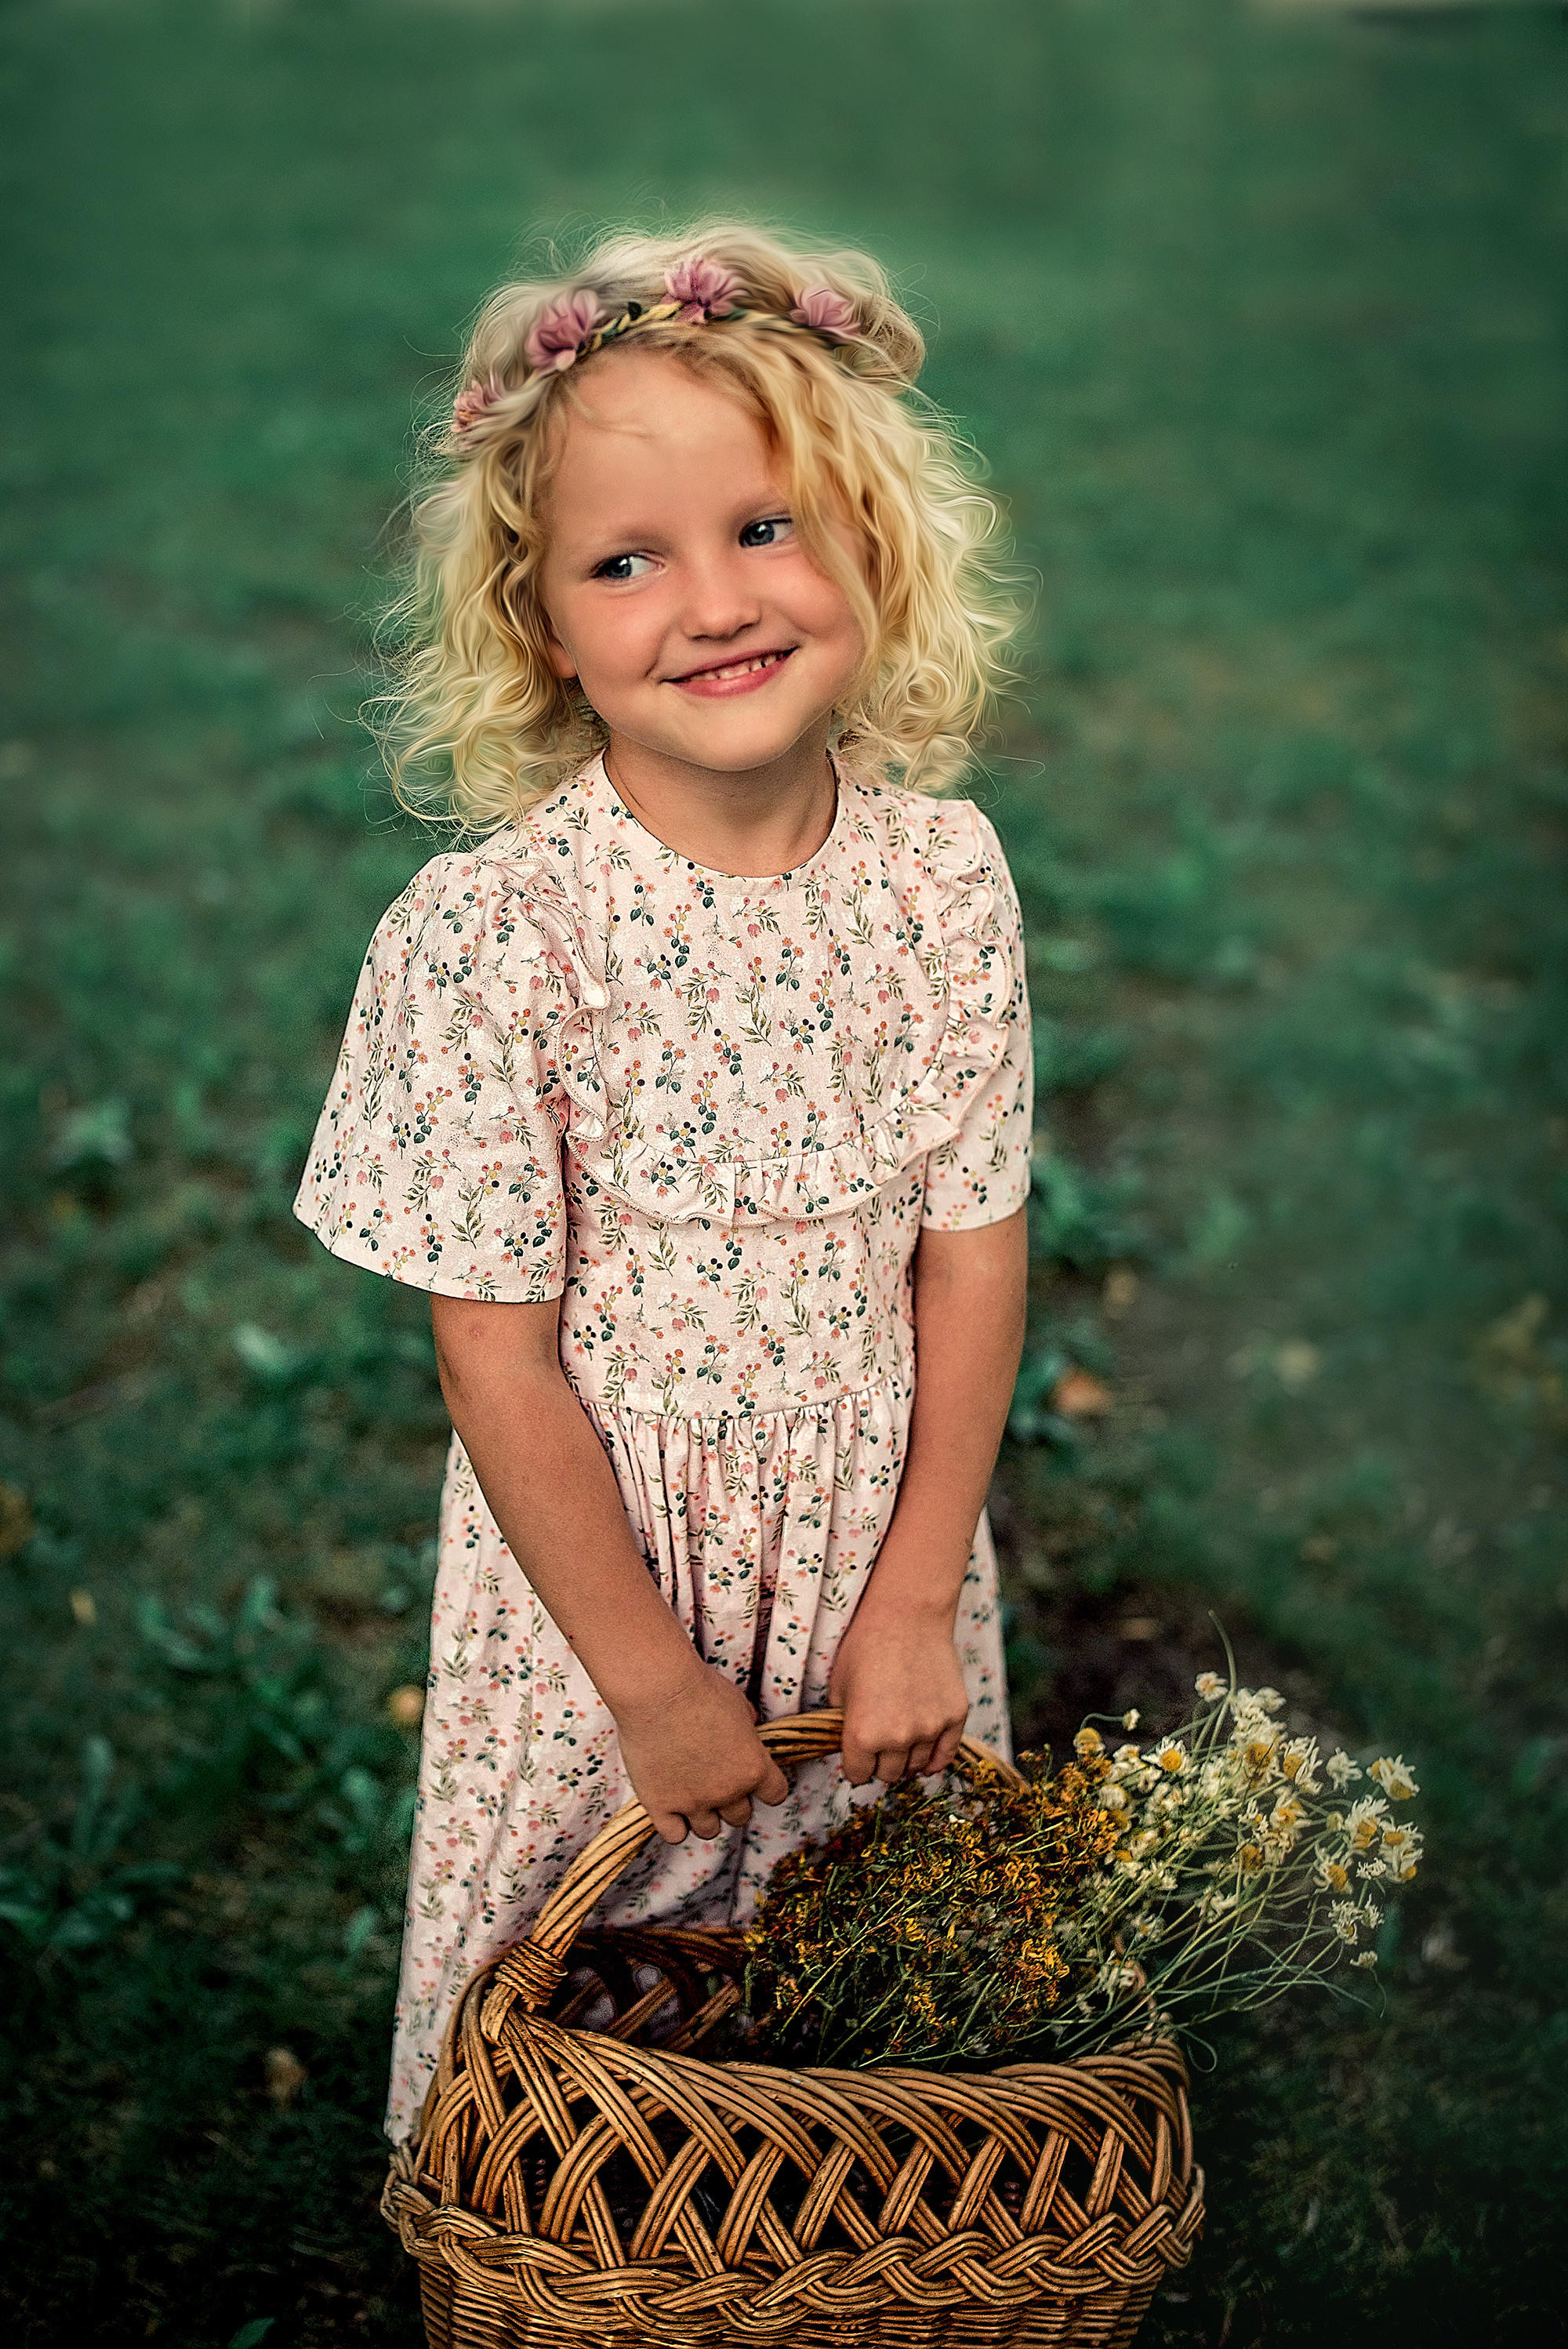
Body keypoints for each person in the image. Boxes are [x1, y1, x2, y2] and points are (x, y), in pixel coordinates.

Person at [294, 223, 1033, 2141]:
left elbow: (970, 1249)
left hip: (877, 1519)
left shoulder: (941, 881)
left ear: (870, 539)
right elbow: (496, 1354)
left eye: (764, 529)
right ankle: (568, 2228)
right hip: (606, 1581)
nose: (711, 601)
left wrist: (918, 1588)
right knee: (590, 1981)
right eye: (627, 560)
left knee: (874, 1983)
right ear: (541, 622)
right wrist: (642, 1676)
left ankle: (857, 2234)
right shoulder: (493, 937)